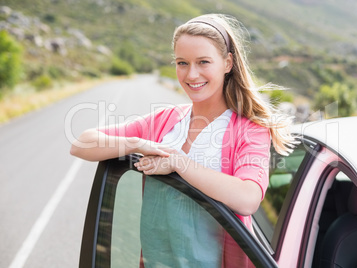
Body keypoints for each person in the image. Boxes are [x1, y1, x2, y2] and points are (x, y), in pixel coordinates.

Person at [71, 13, 296, 268]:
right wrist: (136, 144)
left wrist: (179, 163)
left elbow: (248, 199)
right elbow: (81, 143)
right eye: (182, 63)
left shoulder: (249, 130)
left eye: (203, 62)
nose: (191, 74)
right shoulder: (164, 121)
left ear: (227, 63)